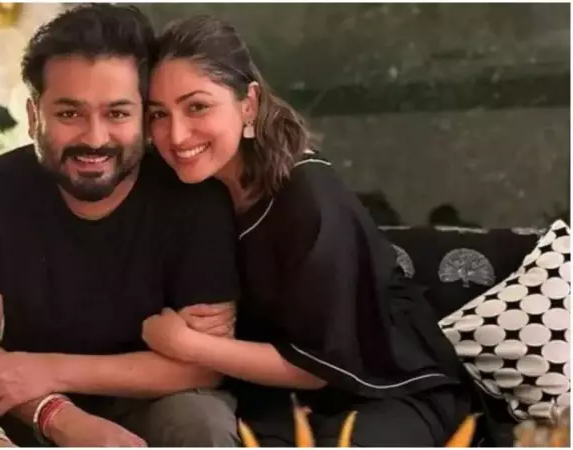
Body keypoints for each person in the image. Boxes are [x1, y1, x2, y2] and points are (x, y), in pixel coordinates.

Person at [0, 5, 240, 447]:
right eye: (69, 114)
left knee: (199, 420)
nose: (95, 138)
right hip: (26, 400)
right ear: (33, 116)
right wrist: (56, 415)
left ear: (144, 116)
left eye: (117, 114)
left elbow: (204, 367)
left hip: (146, 398)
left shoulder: (194, 195)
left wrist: (50, 370)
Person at [141, 15, 472, 447]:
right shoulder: (193, 189)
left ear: (248, 104)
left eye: (197, 106)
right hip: (277, 399)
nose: (176, 134)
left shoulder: (306, 192)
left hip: (382, 389)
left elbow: (318, 365)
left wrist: (184, 343)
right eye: (158, 114)